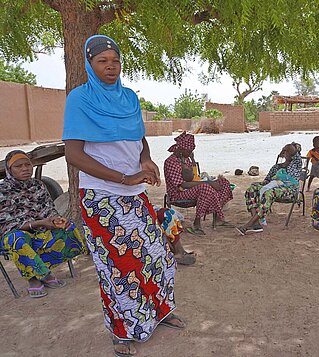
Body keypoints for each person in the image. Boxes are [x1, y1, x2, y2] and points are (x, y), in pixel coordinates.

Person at [63, 35, 183, 357]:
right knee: (118, 267)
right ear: (90, 64)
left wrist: (145, 160)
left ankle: (158, 312)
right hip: (101, 198)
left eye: (115, 61)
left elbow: (139, 139)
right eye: (102, 61)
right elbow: (73, 154)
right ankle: (121, 331)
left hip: (135, 194)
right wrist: (123, 177)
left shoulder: (129, 98)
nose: (110, 67)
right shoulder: (80, 99)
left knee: (157, 256)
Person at [0, 150, 85, 298]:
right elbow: (7, 224)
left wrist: (56, 220)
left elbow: (49, 210)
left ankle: (42, 270)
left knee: (68, 227)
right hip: (13, 233)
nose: (25, 168)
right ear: (9, 170)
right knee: (18, 239)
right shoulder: (3, 190)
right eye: (18, 166)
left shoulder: (37, 185)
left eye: (28, 164)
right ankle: (35, 279)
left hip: (40, 228)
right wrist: (39, 223)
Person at [164, 132, 233, 235]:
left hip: (191, 189)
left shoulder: (186, 159)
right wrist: (207, 182)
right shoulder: (171, 162)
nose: (191, 153)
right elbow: (182, 185)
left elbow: (191, 178)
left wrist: (192, 161)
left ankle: (218, 219)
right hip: (178, 194)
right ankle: (197, 223)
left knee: (223, 183)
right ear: (181, 149)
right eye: (189, 151)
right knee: (205, 188)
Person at [237, 143, 302, 235]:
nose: (287, 153)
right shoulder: (277, 167)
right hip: (274, 187)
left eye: (288, 151)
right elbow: (267, 180)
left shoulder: (296, 164)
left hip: (289, 190)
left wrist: (286, 148)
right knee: (251, 189)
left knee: (269, 193)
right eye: (286, 152)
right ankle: (256, 223)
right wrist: (259, 184)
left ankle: (249, 224)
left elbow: (293, 150)